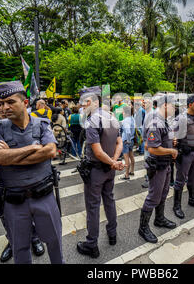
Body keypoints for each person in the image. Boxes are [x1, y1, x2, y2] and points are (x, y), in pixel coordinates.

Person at [0, 81, 63, 264]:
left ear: (25, 103)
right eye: (1, 103)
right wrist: (34, 148)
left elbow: (51, 151)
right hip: (14, 201)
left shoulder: (42, 124)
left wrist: (9, 155)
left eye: (10, 102)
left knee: (55, 244)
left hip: (44, 197)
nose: (5, 107)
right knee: (20, 249)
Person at [76, 86, 124, 258]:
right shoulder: (111, 117)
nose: (81, 106)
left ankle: (91, 244)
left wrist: (112, 162)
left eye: (83, 103)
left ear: (92, 102)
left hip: (97, 170)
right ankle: (112, 234)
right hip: (109, 169)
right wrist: (114, 162)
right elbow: (119, 143)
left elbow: (97, 151)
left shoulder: (92, 121)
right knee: (109, 200)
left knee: (93, 207)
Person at [139, 94, 178, 243]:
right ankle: (143, 228)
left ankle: (159, 219)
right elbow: (152, 148)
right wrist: (171, 151)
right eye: (173, 105)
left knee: (163, 193)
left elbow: (161, 139)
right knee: (153, 197)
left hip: (166, 164)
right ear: (165, 105)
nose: (175, 108)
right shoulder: (156, 121)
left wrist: (171, 141)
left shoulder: (163, 120)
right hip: (157, 164)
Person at [171, 94, 194, 219]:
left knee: (193, 179)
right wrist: (175, 147)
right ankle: (176, 206)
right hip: (185, 154)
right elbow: (171, 133)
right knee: (180, 181)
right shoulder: (181, 118)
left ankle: (192, 199)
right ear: (190, 104)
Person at [141, 96, 154, 188]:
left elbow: (152, 129)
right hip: (146, 140)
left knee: (149, 160)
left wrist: (147, 142)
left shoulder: (152, 114)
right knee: (147, 160)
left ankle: (149, 180)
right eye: (143, 102)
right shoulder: (147, 112)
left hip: (149, 141)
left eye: (145, 103)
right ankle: (149, 177)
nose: (143, 104)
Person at [120, 106, 136, 180]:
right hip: (131, 140)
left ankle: (126, 175)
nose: (122, 113)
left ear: (126, 112)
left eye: (123, 111)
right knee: (131, 156)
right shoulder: (132, 118)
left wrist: (128, 140)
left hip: (126, 141)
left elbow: (128, 131)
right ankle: (132, 171)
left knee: (126, 158)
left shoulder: (126, 120)